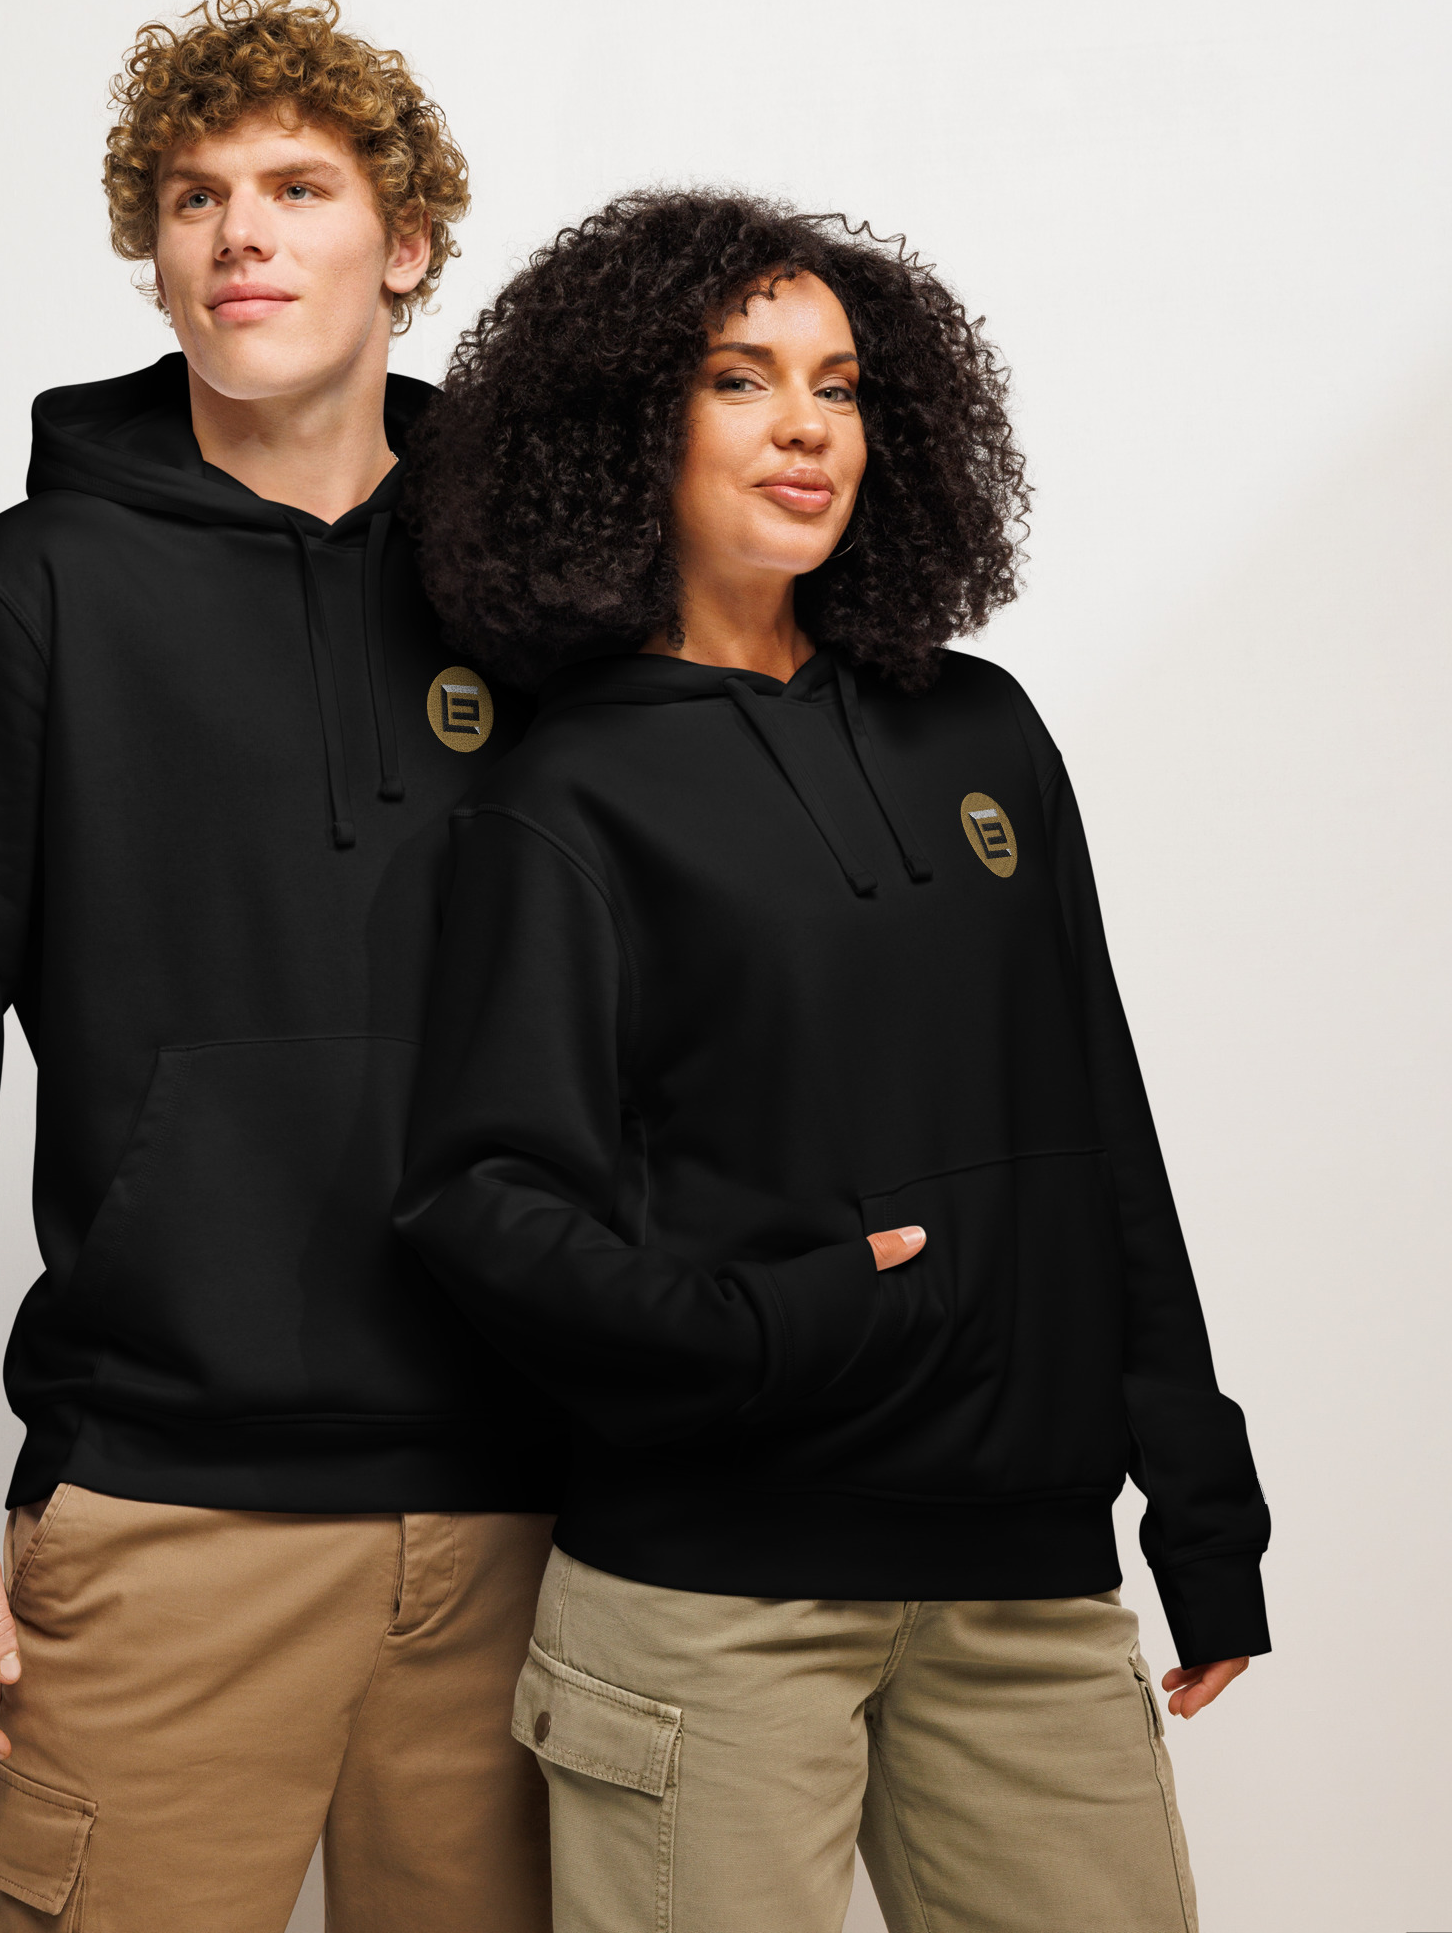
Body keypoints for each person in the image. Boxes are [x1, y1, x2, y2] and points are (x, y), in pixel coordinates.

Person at [394, 191, 1270, 1933]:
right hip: (713, 1606)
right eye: (741, 378)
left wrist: (1201, 1500)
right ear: (627, 430)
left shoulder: (983, 732)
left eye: (841, 386)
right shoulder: (565, 796)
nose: (805, 426)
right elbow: (480, 1200)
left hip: (1025, 1590)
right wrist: (768, 1329)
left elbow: (1098, 1117)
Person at [0, 0, 560, 1933]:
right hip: (166, 1510)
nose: (241, 233)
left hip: (539, 1520)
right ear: (155, 257)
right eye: (195, 196)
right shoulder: (24, 596)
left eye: (298, 187)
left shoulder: (550, 601)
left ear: (406, 242)